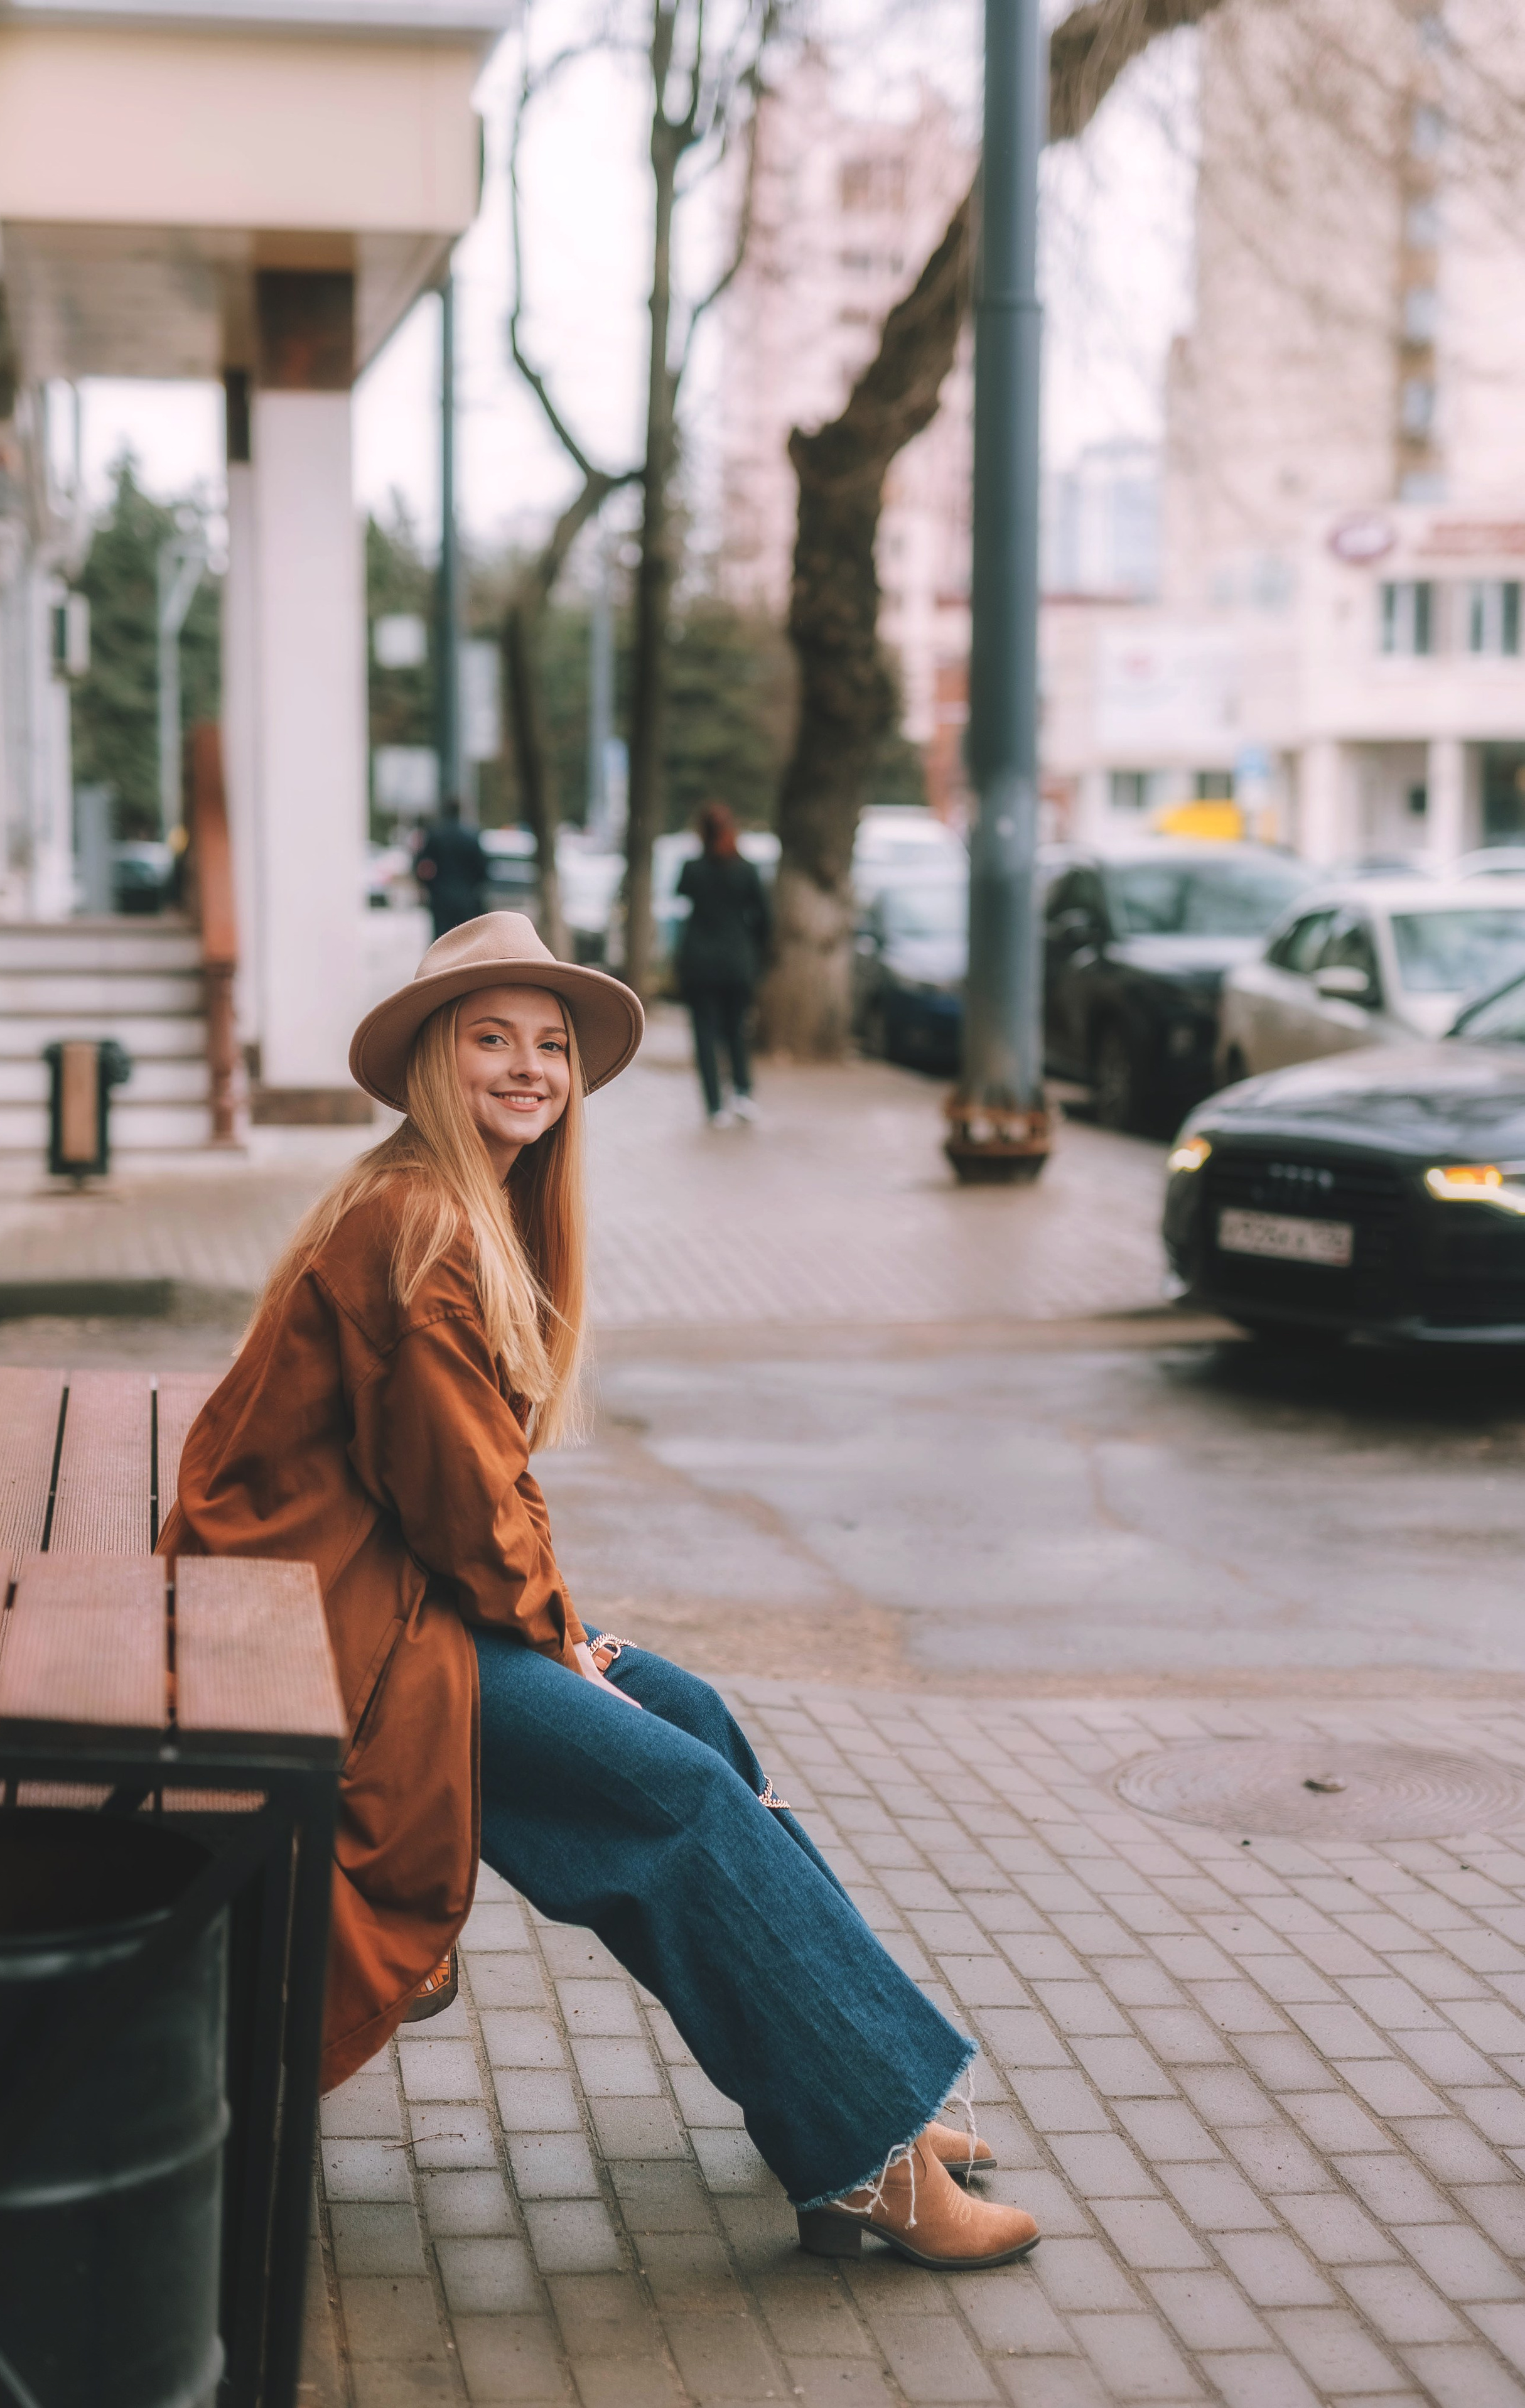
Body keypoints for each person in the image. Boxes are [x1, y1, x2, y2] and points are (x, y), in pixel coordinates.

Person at [157, 913, 1038, 2273]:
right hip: (332, 1636)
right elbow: (462, 1506)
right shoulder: (417, 1229)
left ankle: (857, 2095)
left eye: (550, 1046)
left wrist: (568, 1635)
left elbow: (477, 1491)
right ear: (436, 1064)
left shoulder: (458, 1206)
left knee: (690, 1713)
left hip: (383, 1601)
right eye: (491, 1040)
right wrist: (558, 1643)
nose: (529, 1068)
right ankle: (867, 2159)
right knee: (676, 1800)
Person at [676, 801, 770, 1128]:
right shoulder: (746, 870)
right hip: (736, 963)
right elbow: (764, 917)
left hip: (699, 964)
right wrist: (753, 950)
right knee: (736, 1029)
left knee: (704, 1033)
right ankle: (742, 1093)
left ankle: (714, 1105)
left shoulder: (692, 869)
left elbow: (682, 900)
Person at [414, 795, 488, 937]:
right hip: (467, 898)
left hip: (441, 896)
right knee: (466, 938)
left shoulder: (435, 836)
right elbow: (483, 869)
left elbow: (422, 866)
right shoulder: (471, 836)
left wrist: (429, 886)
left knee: (442, 938)